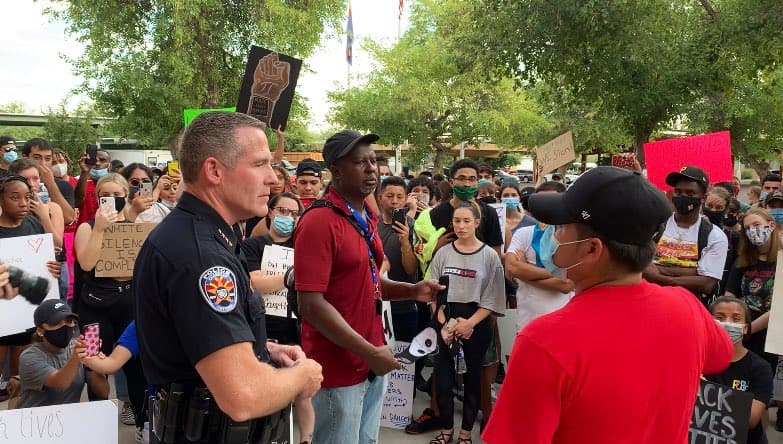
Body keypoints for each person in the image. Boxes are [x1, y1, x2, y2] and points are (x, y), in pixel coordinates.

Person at [483, 166, 734, 443]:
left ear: (591, 249)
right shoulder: (687, 308)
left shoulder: (544, 341)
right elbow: (720, 356)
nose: (553, 235)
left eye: (562, 227)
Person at [134, 111, 323, 444]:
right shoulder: (201, 256)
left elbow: (197, 342)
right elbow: (243, 396)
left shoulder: (211, 236)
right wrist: (302, 377)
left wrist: (262, 350)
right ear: (214, 170)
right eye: (259, 164)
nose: (273, 179)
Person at [294, 129, 443, 444]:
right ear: (336, 171)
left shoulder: (363, 217)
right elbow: (311, 304)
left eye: (373, 161)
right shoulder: (319, 222)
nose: (371, 168)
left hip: (373, 357)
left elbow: (371, 283)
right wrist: (369, 352)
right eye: (359, 162)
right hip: (339, 369)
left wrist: (412, 290)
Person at [428, 202, 506, 444]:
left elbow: (493, 298)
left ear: (476, 223)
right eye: (456, 221)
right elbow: (432, 293)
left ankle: (465, 434)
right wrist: (444, 324)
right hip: (445, 321)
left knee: (473, 379)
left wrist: (468, 324)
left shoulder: (489, 256)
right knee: (443, 379)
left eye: (466, 221)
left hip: (475, 323)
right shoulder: (443, 253)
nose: (460, 226)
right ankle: (446, 430)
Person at [0, 175, 62, 403]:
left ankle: (13, 422)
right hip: (2, 312)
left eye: (27, 197)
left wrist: (52, 268)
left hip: (25, 314)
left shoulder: (34, 224)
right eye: (14, 198)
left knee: (19, 378)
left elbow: (49, 256)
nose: (23, 203)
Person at [643, 166, 728, 304]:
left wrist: (659, 276)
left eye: (690, 193)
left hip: (689, 307)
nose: (683, 197)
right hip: (651, 302)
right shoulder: (656, 226)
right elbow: (642, 266)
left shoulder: (714, 236)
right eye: (678, 192)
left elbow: (706, 284)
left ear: (703, 198)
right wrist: (692, 272)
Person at [505, 182, 574, 333]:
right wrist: (557, 271)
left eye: (551, 201)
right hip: (526, 324)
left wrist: (523, 272)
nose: (545, 207)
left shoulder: (571, 237)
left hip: (560, 325)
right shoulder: (524, 233)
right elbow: (511, 268)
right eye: (540, 202)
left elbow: (566, 285)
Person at [15, 299, 108, 408]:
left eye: (69, 321)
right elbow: (60, 382)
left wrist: (93, 364)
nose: (65, 327)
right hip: (35, 419)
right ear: (40, 331)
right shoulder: (29, 356)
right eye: (56, 322)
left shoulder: (77, 347)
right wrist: (77, 357)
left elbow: (103, 392)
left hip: (67, 418)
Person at [706, 296, 773, 444]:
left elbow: (750, 420)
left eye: (736, 319)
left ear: (746, 328)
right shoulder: (697, 361)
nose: (728, 323)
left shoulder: (760, 368)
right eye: (720, 317)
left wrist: (704, 391)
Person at [10, 159, 67, 299]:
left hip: (50, 270)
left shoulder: (53, 208)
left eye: (35, 178)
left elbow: (57, 244)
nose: (31, 183)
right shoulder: (7, 210)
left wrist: (44, 217)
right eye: (25, 179)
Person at [22, 138, 76, 225]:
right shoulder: (13, 184)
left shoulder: (63, 185)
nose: (43, 163)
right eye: (37, 158)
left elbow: (68, 218)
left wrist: (50, 184)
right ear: (25, 158)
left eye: (47, 159)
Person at [75, 148, 112, 225]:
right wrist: (85, 172)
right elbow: (77, 202)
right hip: (85, 231)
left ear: (110, 165)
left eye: (102, 160)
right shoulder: (82, 184)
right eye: (94, 160)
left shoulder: (116, 186)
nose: (97, 163)